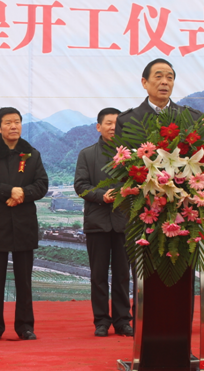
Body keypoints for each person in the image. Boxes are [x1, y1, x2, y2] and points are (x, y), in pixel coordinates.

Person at [116, 58, 204, 329]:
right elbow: (125, 166)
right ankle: (144, 327)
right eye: (158, 76)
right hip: (147, 210)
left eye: (169, 77)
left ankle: (182, 329)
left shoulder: (190, 117)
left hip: (184, 210)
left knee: (182, 269)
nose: (164, 82)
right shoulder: (128, 120)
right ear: (144, 82)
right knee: (145, 270)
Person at [0, 107, 49, 341]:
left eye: (17, 122)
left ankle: (25, 326)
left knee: (24, 280)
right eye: (8, 123)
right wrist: (10, 191)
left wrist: (22, 194)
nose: (14, 126)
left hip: (24, 224)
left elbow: (42, 184)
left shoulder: (32, 154)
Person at [74, 107, 133, 337]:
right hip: (97, 223)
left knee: (122, 275)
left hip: (123, 223)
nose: (113, 127)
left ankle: (122, 320)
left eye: (117, 123)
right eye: (108, 123)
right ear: (99, 126)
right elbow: (80, 186)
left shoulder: (132, 155)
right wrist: (101, 196)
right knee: (98, 276)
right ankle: (101, 321)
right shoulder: (87, 154)